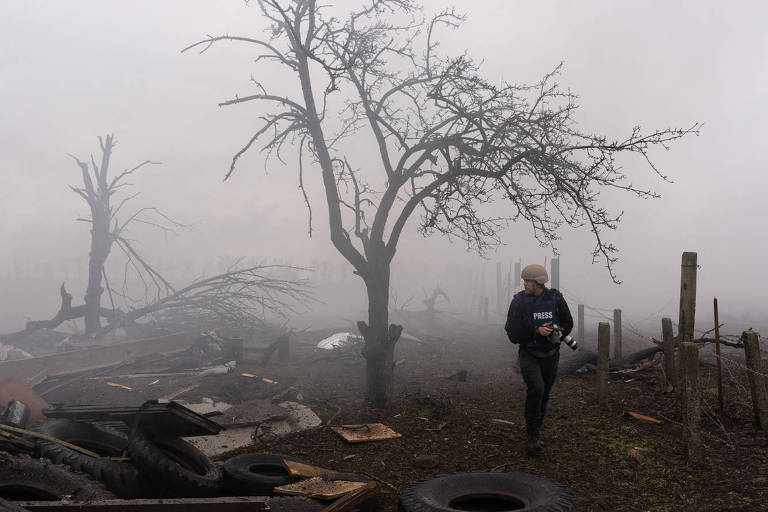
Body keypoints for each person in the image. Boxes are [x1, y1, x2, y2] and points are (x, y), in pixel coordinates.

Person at [504, 264, 573, 455]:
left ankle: (536, 429)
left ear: (539, 282)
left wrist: (557, 330)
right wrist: (536, 331)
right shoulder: (518, 302)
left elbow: (568, 323)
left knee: (545, 394)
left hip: (551, 355)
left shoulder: (555, 298)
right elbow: (512, 332)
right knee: (537, 389)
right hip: (529, 354)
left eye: (528, 281)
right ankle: (532, 435)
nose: (524, 284)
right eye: (524, 280)